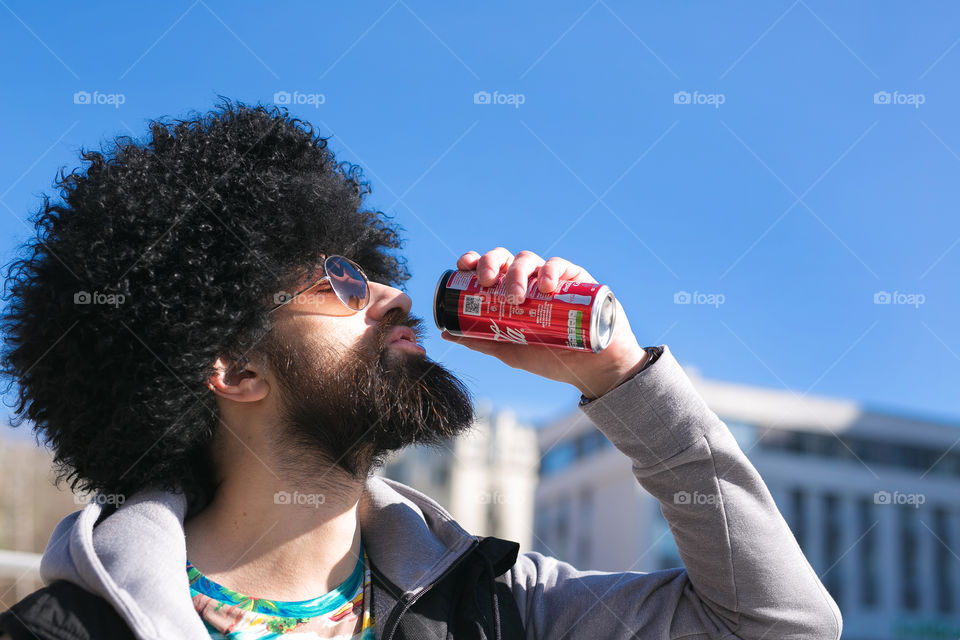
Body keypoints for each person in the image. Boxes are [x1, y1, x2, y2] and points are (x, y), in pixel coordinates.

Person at [0, 101, 841, 640]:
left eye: (376, 265)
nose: (397, 295)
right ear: (232, 366)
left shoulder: (498, 607)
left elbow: (780, 628)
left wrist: (618, 374)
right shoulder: (64, 632)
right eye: (340, 281)